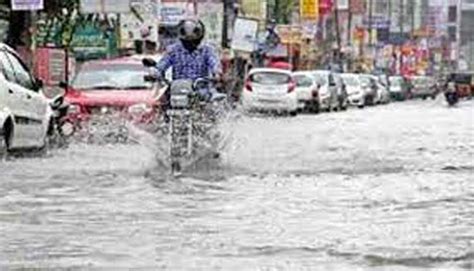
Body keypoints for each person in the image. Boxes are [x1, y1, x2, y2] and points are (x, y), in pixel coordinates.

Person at [154, 19, 221, 91]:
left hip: (200, 92)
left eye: (193, 41)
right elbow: (163, 63)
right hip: (178, 91)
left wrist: (217, 73)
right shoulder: (173, 50)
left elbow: (214, 63)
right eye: (187, 41)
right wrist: (156, 72)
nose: (190, 44)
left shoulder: (207, 50)